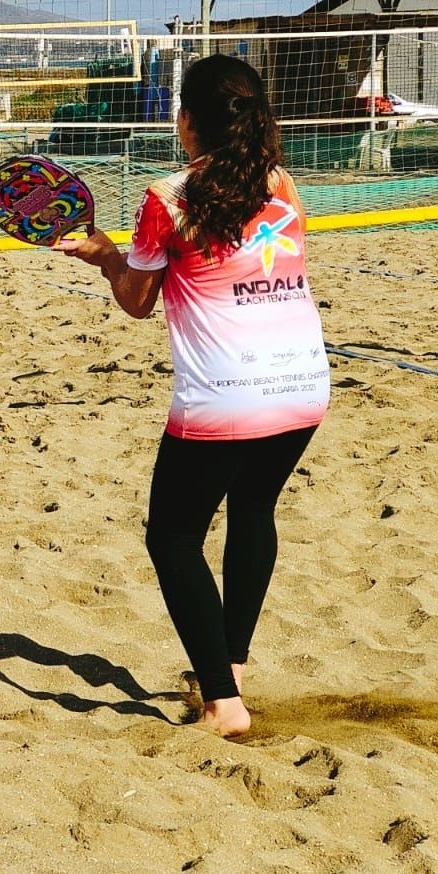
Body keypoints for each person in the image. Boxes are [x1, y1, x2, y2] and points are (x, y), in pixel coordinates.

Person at [56, 54, 329, 738]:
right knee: (254, 509)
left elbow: (138, 303)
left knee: (173, 537)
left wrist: (107, 256)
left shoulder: (169, 196)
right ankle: (228, 669)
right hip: (303, 383)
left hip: (227, 391)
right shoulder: (282, 183)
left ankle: (223, 705)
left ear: (185, 123)